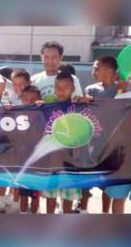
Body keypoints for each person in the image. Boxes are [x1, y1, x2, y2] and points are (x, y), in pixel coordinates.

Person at [78, 56, 119, 214]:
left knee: (107, 182)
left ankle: (104, 213)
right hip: (90, 142)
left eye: (97, 68)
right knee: (85, 179)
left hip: (111, 144)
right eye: (93, 68)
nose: (93, 71)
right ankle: (82, 210)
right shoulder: (90, 89)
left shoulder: (121, 89)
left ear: (109, 71)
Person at [106, 60, 131, 214]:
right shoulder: (121, 99)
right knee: (118, 198)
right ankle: (118, 233)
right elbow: (111, 129)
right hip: (122, 158)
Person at [45, 71, 83, 213]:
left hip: (71, 160)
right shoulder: (47, 106)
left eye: (65, 87)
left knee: (69, 195)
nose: (61, 91)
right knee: (51, 195)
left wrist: (88, 100)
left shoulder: (79, 106)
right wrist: (38, 105)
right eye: (58, 87)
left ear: (72, 89)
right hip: (53, 159)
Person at [0, 69, 31, 214]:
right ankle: (1, 201)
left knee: (19, 175)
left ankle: (16, 202)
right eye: (15, 84)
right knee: (4, 173)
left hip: (26, 145)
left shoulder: (33, 97)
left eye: (21, 84)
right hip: (8, 144)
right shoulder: (9, 97)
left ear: (29, 83)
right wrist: (4, 106)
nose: (18, 88)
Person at [19, 86, 43, 214]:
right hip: (23, 165)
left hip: (38, 166)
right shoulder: (16, 114)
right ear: (21, 100)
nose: (29, 102)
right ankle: (23, 216)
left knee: (35, 197)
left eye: (33, 100)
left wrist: (43, 106)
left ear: (40, 100)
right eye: (26, 99)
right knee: (22, 195)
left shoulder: (42, 112)